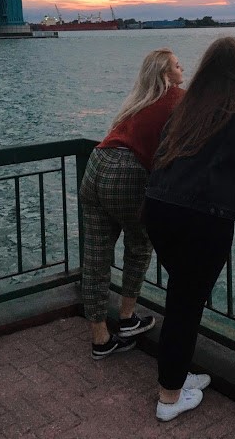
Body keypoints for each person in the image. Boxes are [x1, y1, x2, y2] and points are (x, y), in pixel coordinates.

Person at [144, 36, 235, 422]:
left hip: (158, 206)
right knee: (186, 304)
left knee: (181, 296)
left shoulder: (188, 102)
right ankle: (169, 397)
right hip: (202, 217)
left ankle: (179, 375)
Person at [80, 48, 184, 359]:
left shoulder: (138, 101)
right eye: (178, 66)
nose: (183, 69)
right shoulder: (177, 97)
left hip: (96, 164)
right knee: (139, 244)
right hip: (128, 172)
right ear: (167, 76)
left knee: (96, 254)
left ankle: (100, 337)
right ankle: (126, 318)